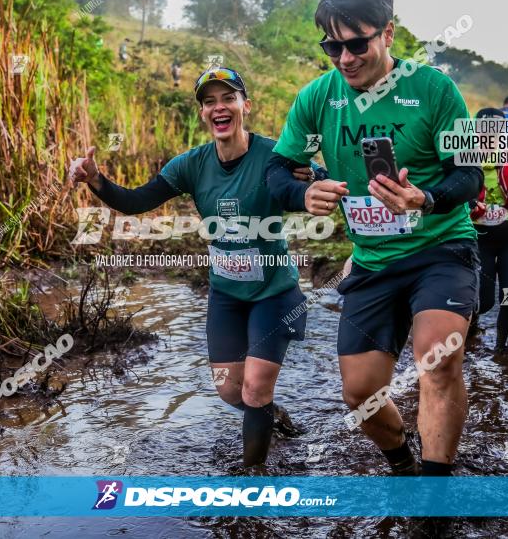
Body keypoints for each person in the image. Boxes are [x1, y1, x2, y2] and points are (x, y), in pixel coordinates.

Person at [266, 0, 483, 477]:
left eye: (356, 43)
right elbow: (277, 168)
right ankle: (403, 465)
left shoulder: (433, 89)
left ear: (387, 33)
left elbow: (470, 176)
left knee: (437, 357)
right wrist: (301, 191)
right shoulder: (318, 98)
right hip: (372, 260)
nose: (344, 59)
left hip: (441, 247)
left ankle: (435, 488)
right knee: (360, 392)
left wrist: (424, 197)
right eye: (332, 47)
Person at [72, 67, 323, 467]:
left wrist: (315, 177)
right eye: (209, 101)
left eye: (228, 98)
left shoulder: (274, 157)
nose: (219, 107)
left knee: (255, 388)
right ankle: (274, 417)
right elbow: (138, 203)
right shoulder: (191, 164)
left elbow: (310, 186)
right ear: (203, 114)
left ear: (245, 105)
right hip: (226, 294)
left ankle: (252, 477)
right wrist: (97, 180)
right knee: (229, 391)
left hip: (274, 294)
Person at [469, 108, 508, 351]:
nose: (489, 137)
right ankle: (470, 331)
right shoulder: (464, 160)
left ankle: (501, 351)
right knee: (482, 302)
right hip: (480, 240)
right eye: (484, 132)